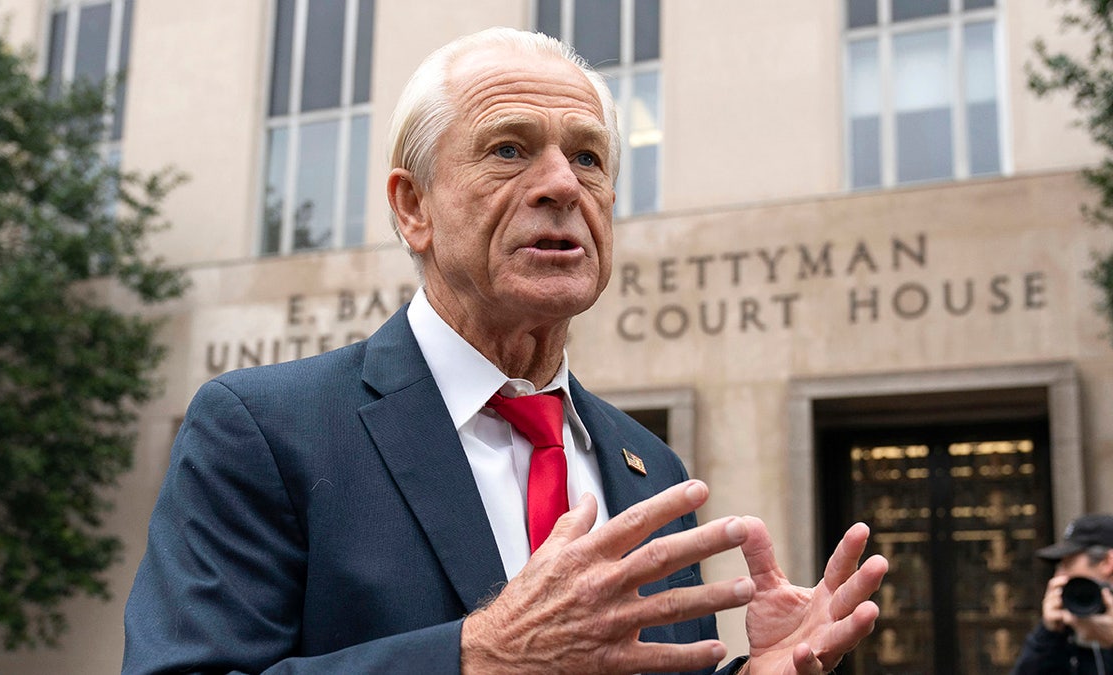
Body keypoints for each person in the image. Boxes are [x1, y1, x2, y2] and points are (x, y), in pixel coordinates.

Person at [122, 27, 888, 675]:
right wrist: (479, 655)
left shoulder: (650, 464)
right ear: (413, 206)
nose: (562, 184)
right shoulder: (263, 428)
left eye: (589, 158)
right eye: (511, 149)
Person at [1011, 514, 1113, 674]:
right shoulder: (1064, 631)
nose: (1058, 577)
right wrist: (1048, 635)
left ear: (1107, 562)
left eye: (1067, 564)